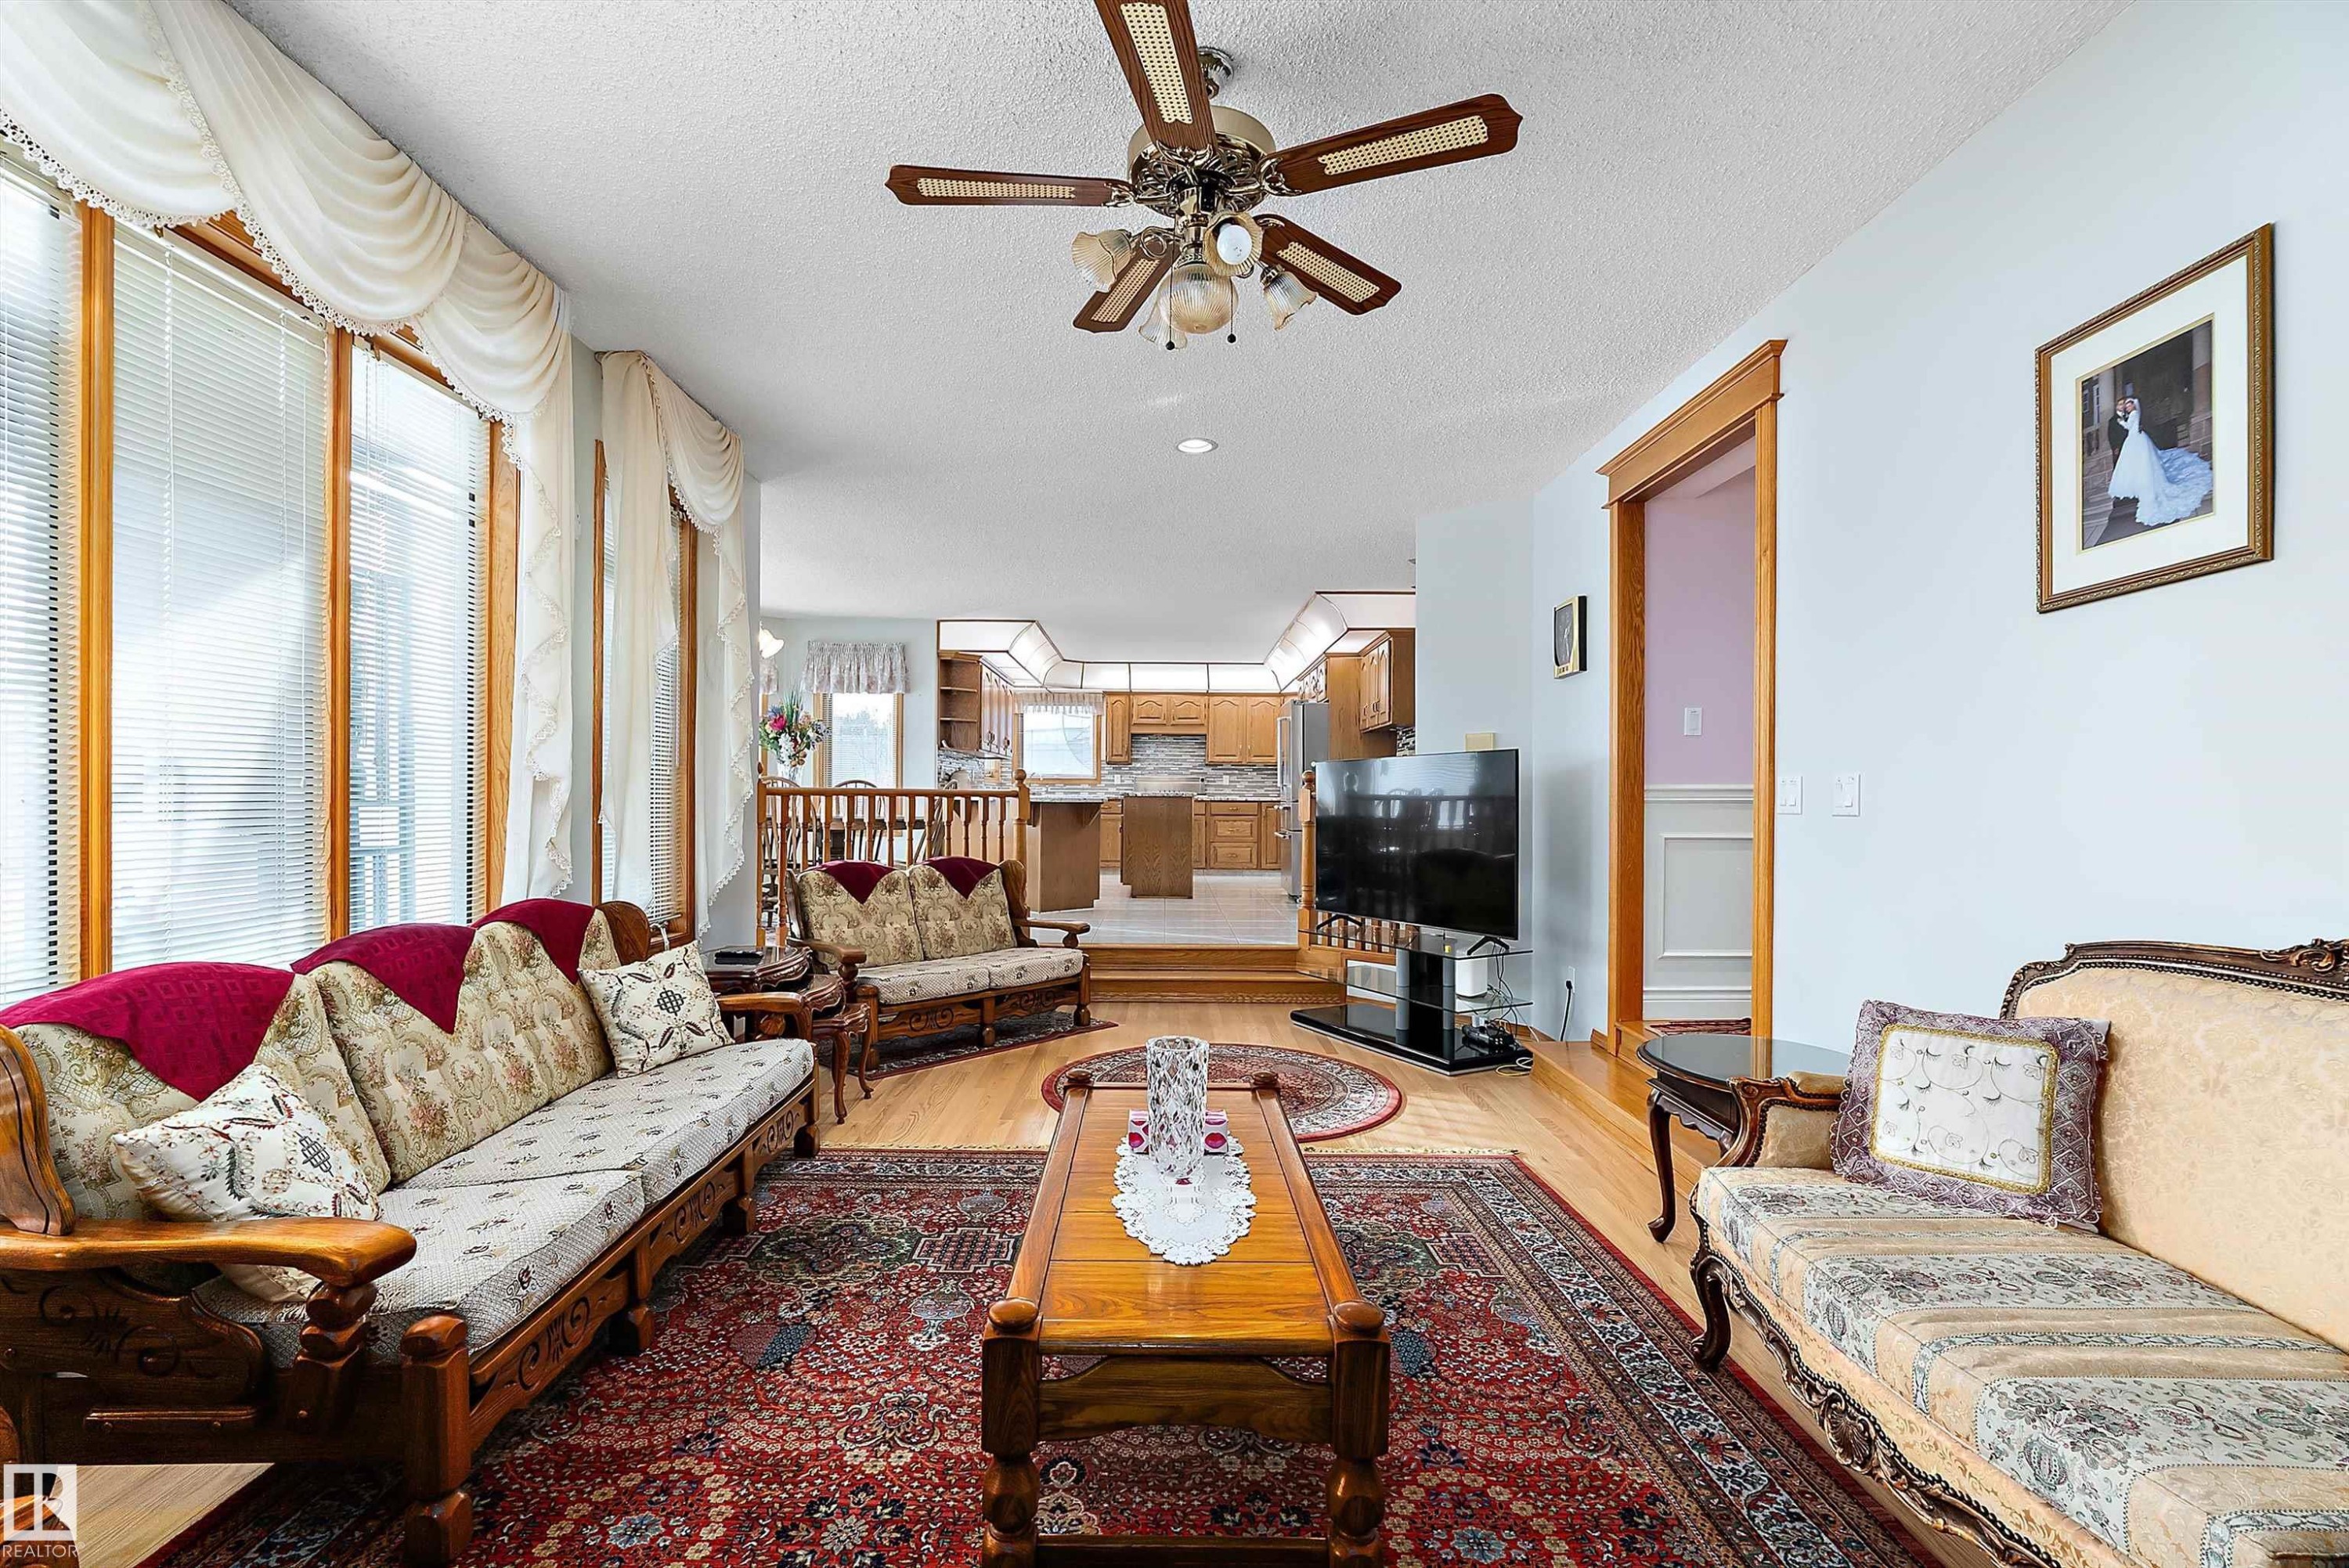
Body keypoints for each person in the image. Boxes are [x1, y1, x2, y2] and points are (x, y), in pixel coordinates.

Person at [2106, 395, 2213, 528]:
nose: (2127, 406)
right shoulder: (2131, 414)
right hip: (2133, 441)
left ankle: (2145, 487)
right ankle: (2138, 486)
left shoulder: (2133, 413)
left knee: (2144, 464)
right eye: (2126, 405)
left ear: (2133, 405)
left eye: (2129, 404)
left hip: (2136, 440)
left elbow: (2129, 426)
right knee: (2134, 465)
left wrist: (2122, 421)